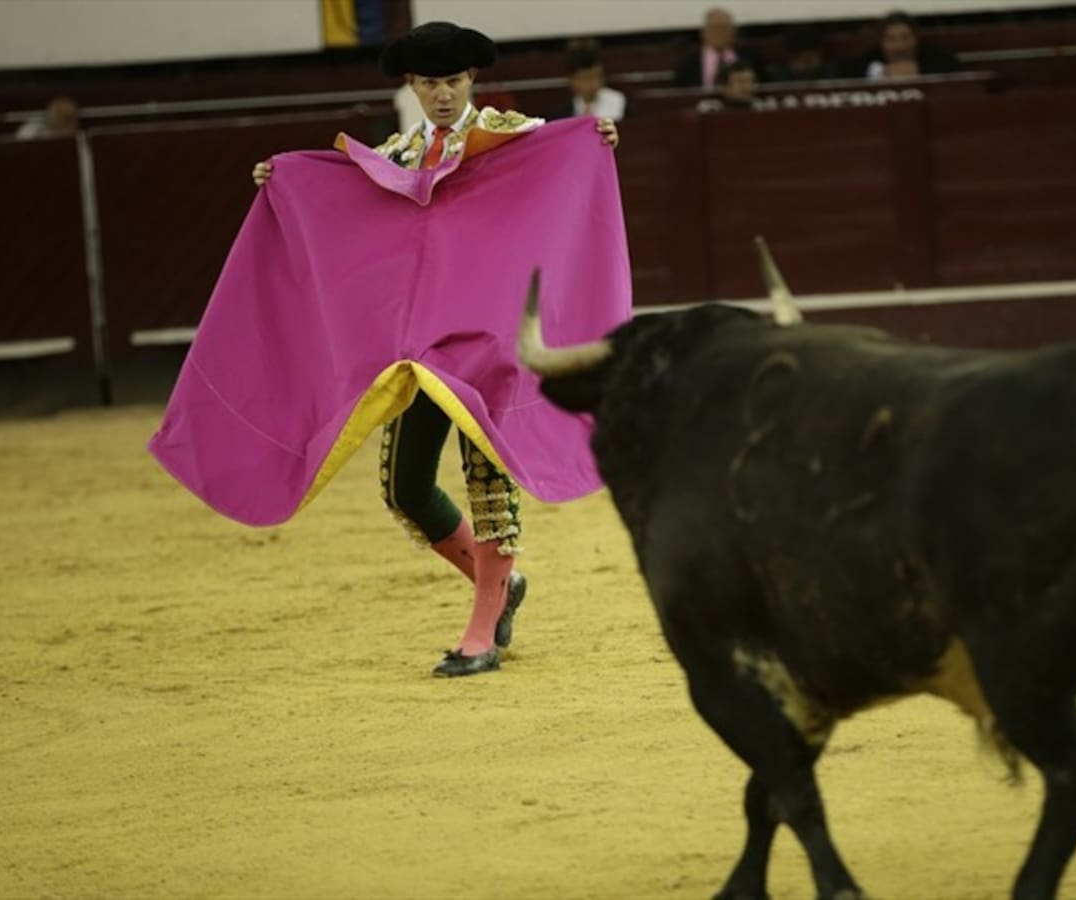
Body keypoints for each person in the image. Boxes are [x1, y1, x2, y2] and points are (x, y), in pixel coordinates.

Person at [250, 22, 620, 678]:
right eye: (429, 83)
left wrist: (596, 141)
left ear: (472, 80)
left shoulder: (513, 136)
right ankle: (501, 583)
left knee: (486, 479)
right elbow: (344, 203)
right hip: (421, 346)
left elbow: (559, 163)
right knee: (403, 488)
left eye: (453, 81)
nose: (443, 94)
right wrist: (284, 182)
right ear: (411, 86)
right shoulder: (398, 154)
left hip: (490, 342)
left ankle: (483, 631)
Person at [849, 10, 961, 80]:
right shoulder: (870, 57)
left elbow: (955, 68)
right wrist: (879, 73)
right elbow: (846, 72)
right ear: (881, 43)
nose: (900, 46)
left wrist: (921, 70)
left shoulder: (933, 55)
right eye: (891, 39)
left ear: (916, 39)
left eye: (905, 37)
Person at [673, 7, 763, 89]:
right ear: (703, 32)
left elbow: (764, 88)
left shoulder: (750, 57)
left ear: (734, 32)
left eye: (724, 28)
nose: (719, 33)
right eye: (714, 28)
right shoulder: (687, 63)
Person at [554, 45, 627, 122]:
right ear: (571, 80)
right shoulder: (564, 113)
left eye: (596, 77)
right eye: (585, 78)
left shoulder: (619, 102)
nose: (592, 83)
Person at [767, 25, 840, 83]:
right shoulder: (777, 75)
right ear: (790, 59)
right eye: (799, 60)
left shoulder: (830, 73)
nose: (804, 66)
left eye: (808, 60)